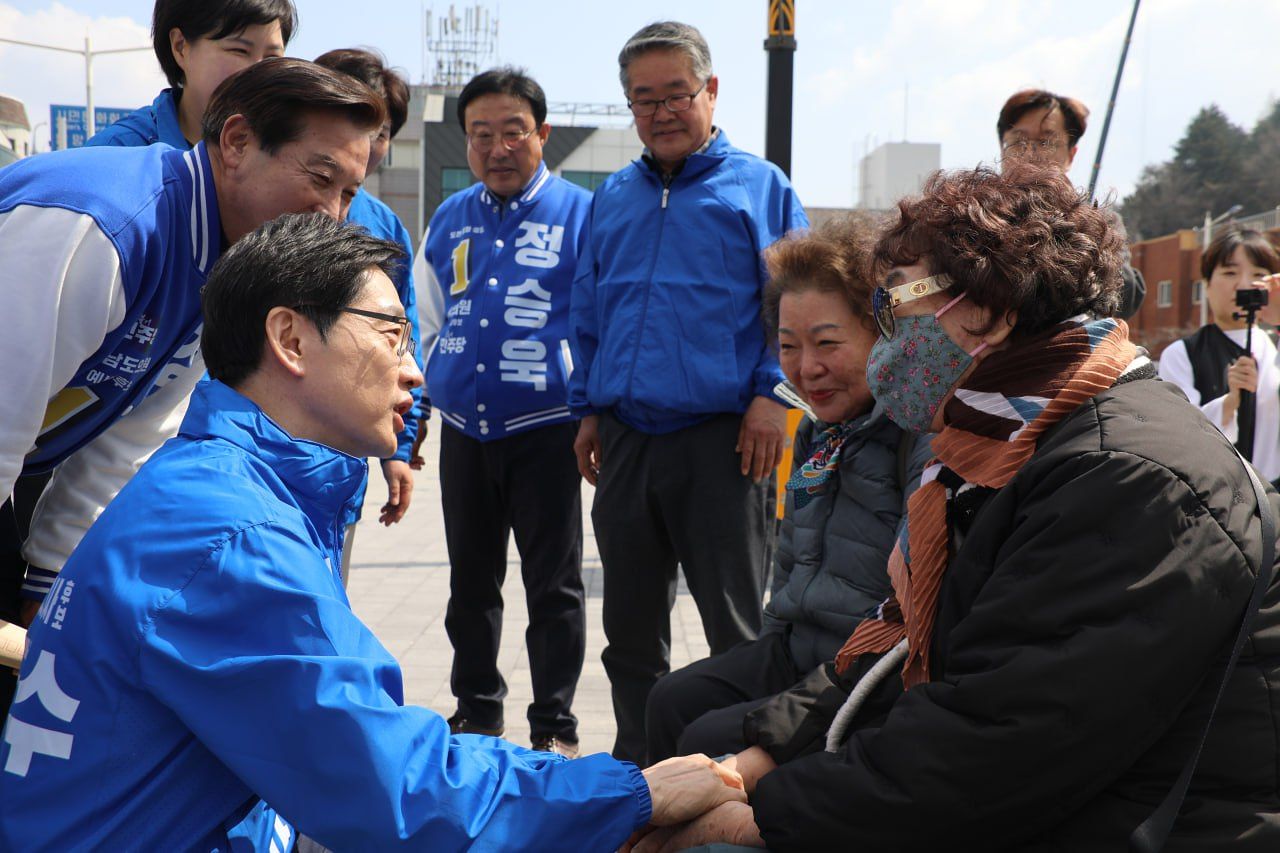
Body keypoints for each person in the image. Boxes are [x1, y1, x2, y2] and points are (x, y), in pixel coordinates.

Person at [0, 213, 747, 850]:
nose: (415, 371)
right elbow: (399, 789)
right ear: (291, 339)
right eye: (392, 334)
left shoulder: (220, 487)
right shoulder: (230, 536)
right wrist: (627, 793)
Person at [636, 167, 1280, 851]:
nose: (885, 342)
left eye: (893, 307)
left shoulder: (1126, 478)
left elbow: (999, 748)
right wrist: (749, 765)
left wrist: (762, 814)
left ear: (993, 311)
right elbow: (905, 649)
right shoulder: (1012, 435)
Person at [0, 57, 382, 641]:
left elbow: (127, 440)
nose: (331, 215)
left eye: (349, 193)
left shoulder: (229, 258)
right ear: (237, 142)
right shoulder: (105, 225)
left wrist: (52, 592)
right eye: (320, 178)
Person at [568, 21, 809, 765]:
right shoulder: (612, 195)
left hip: (725, 441)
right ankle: (638, 771)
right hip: (627, 438)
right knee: (629, 631)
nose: (662, 111)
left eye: (677, 93)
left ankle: (740, 772)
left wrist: (772, 393)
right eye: (644, 99)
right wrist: (588, 408)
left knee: (736, 629)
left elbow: (797, 306)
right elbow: (588, 307)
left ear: (711, 91)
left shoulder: (761, 188)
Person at [644, 217, 931, 765]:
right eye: (788, 346)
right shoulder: (814, 433)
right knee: (670, 700)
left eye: (827, 343)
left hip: (865, 669)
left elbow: (915, 610)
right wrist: (768, 645)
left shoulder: (919, 432)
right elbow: (790, 557)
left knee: (708, 738)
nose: (806, 368)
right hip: (794, 648)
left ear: (883, 333)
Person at [412, 67, 590, 756]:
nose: (496, 148)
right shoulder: (450, 216)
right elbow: (426, 316)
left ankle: (555, 725)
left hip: (547, 429)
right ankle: (477, 711)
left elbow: (597, 318)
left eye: (513, 131)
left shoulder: (581, 215)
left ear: (542, 133)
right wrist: (434, 389)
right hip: (465, 432)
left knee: (555, 586)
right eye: (480, 134)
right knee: (470, 583)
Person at [314, 48, 426, 571]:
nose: (368, 142)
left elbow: (402, 336)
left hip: (340, 461)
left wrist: (398, 449)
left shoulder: (384, 227)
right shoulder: (263, 201)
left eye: (381, 132)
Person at [996, 87, 1146, 319]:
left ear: (1071, 155)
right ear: (1002, 150)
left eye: (1046, 142)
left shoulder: (1101, 223)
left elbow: (1125, 296)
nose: (1030, 153)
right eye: (1018, 141)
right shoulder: (974, 215)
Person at [87, 0, 295, 149]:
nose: (258, 71)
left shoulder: (293, 153)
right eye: (239, 51)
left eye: (272, 57)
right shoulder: (117, 153)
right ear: (180, 47)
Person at [1158, 228, 1280, 481]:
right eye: (1230, 273)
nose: (1244, 285)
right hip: (1217, 491)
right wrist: (1230, 402)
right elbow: (1180, 434)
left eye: (1259, 275)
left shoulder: (1274, 343)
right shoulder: (1182, 353)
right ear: (1207, 285)